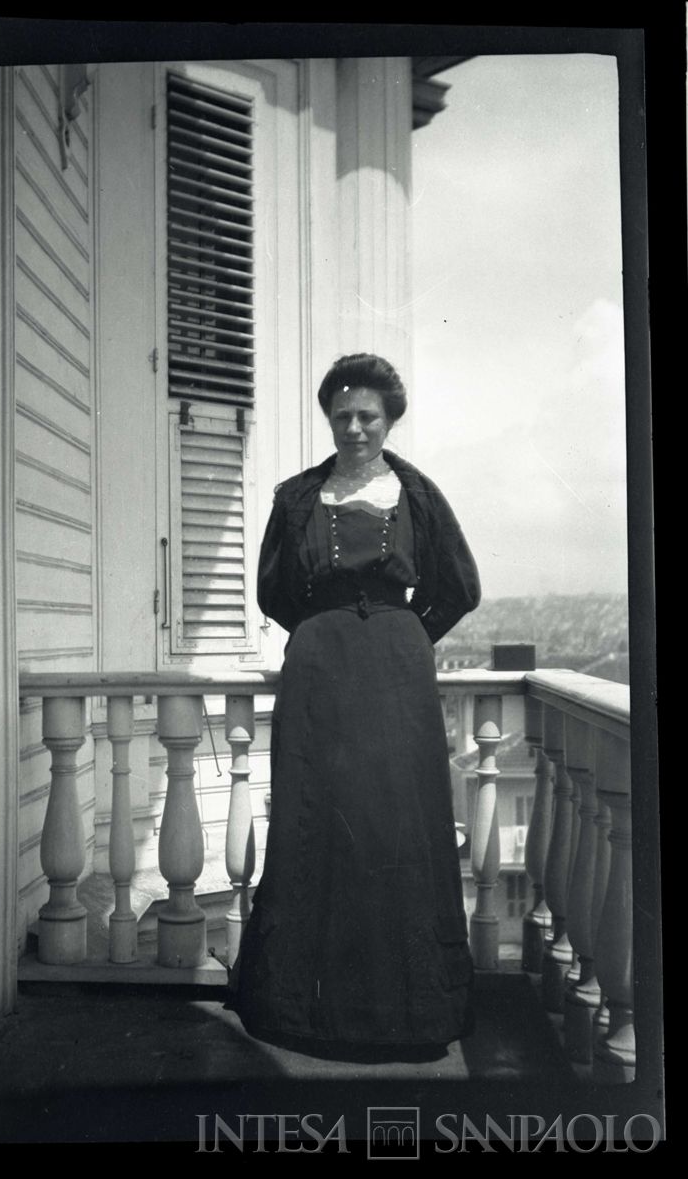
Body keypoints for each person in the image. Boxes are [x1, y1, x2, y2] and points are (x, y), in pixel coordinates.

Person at [229, 353, 481, 1058]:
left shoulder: (417, 494)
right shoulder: (297, 498)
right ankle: (304, 1013)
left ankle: (407, 1015)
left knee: (393, 826)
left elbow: (459, 586)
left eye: (367, 415)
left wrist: (403, 638)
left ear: (388, 417)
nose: (355, 428)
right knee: (316, 823)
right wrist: (325, 633)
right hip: (317, 676)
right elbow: (274, 591)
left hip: (397, 677)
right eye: (342, 416)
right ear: (329, 420)